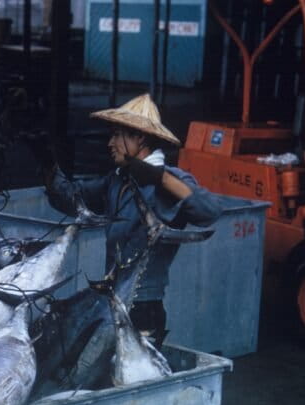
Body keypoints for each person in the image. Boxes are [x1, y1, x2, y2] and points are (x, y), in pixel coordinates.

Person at [46, 93, 222, 348]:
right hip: (110, 301)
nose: (110, 143)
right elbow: (74, 199)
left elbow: (209, 212)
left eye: (117, 135)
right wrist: (49, 167)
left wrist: (160, 178)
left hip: (143, 307)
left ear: (139, 137)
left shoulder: (170, 180)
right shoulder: (117, 180)